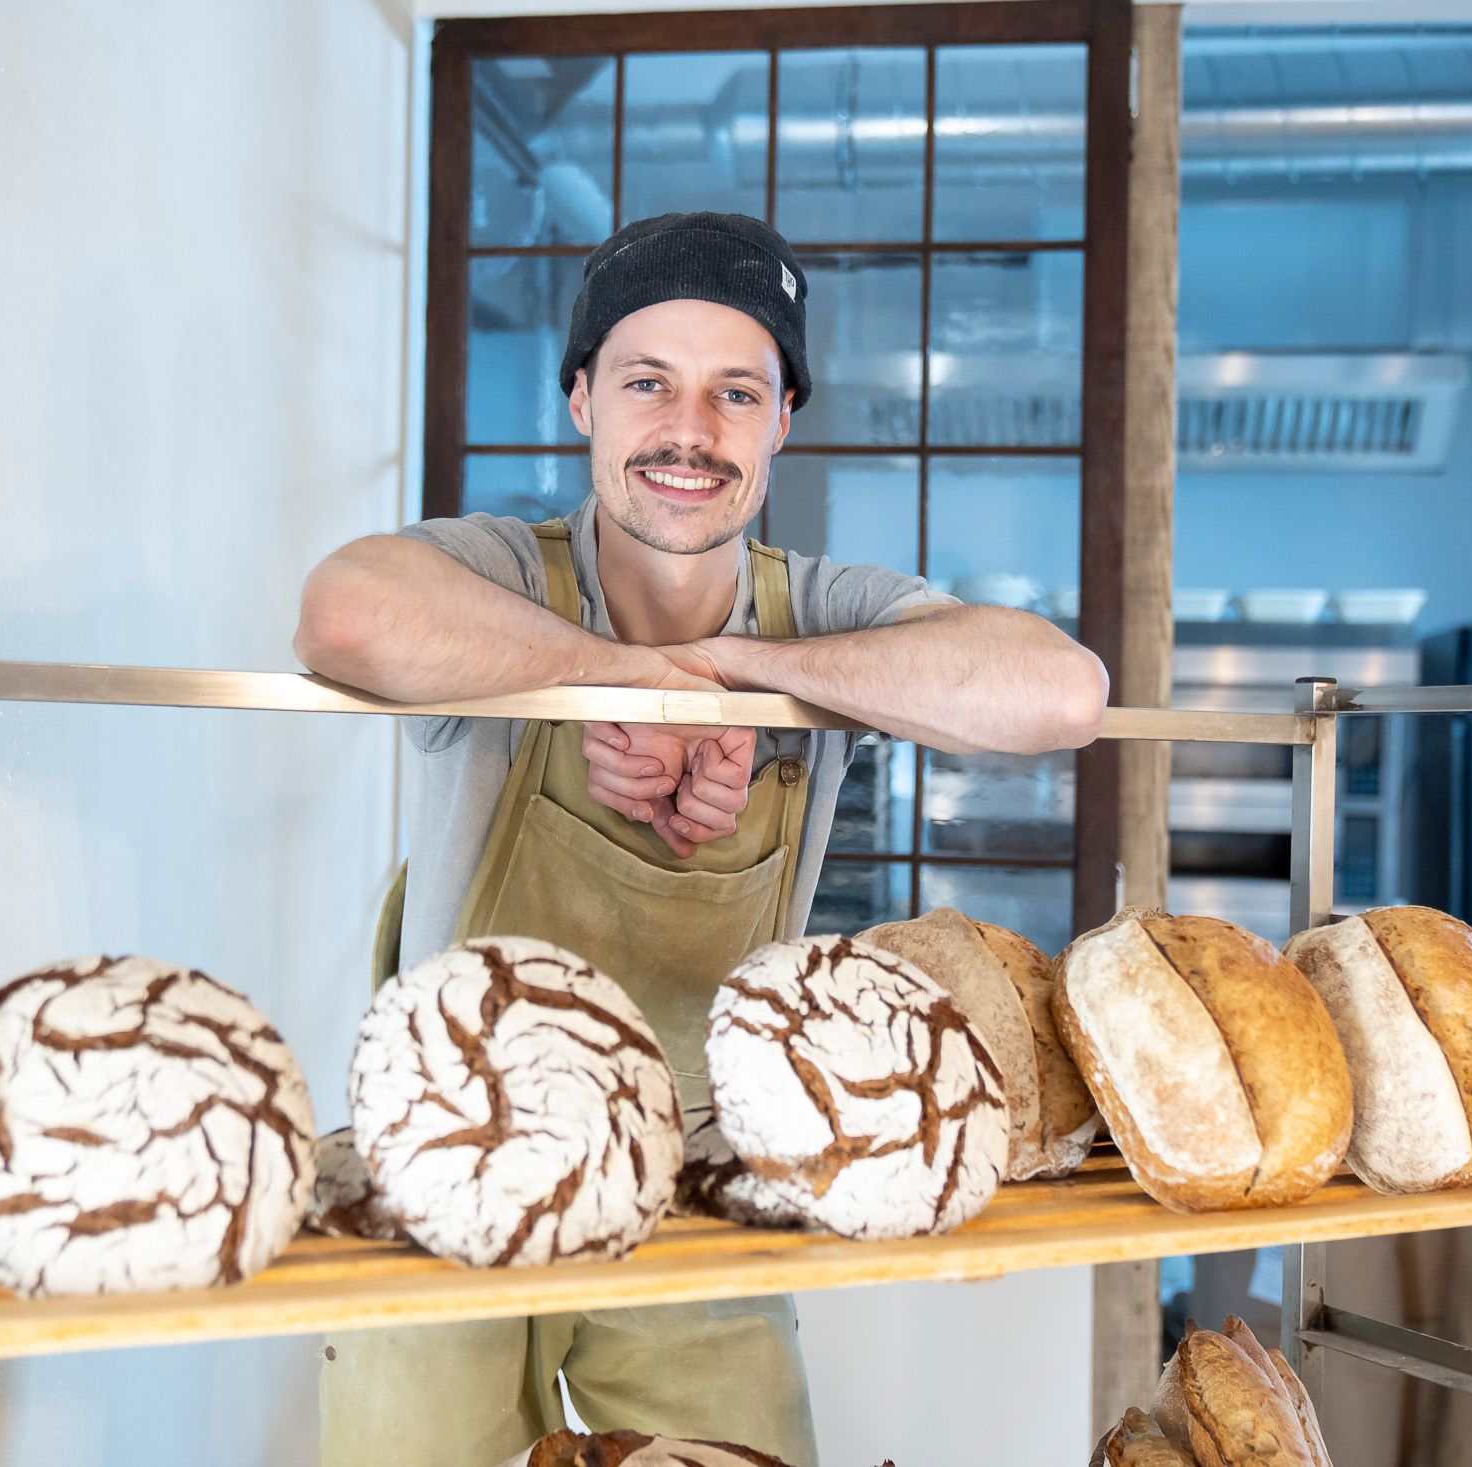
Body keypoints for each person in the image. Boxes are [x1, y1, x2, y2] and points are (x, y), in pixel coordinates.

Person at [294, 211, 1108, 1467]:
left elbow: (1059, 694)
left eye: (737, 391)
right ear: (581, 401)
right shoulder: (502, 574)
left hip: (699, 1178)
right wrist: (617, 680)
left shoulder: (829, 616)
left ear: (784, 417)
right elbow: (343, 614)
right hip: (446, 1159)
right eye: (646, 384)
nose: (690, 431)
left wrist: (735, 675)